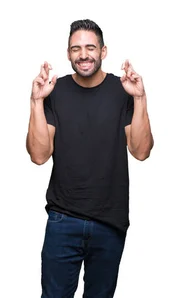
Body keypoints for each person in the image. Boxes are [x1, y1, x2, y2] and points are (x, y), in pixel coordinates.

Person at [26, 19, 154, 297]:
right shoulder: (54, 91)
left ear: (103, 51)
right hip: (63, 220)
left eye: (90, 47)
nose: (83, 54)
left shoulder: (123, 90)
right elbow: (39, 155)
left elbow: (141, 151)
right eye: (76, 48)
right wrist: (36, 101)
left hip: (110, 221)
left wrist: (140, 98)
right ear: (68, 53)